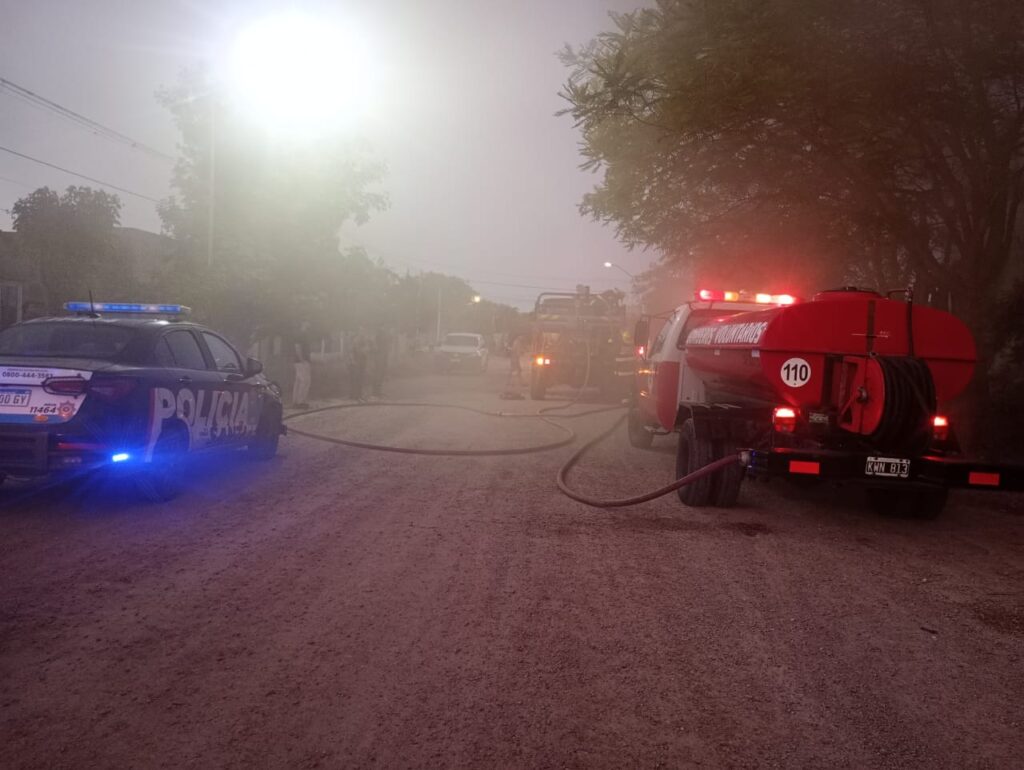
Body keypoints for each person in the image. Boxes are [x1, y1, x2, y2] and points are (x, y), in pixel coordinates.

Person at [292, 320, 314, 409]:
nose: (310, 323)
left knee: (298, 381)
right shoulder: (301, 335)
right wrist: (302, 360)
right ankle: (300, 402)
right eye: (308, 322)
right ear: (303, 323)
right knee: (305, 381)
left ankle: (296, 401)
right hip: (302, 361)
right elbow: (297, 347)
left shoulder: (302, 334)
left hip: (300, 361)